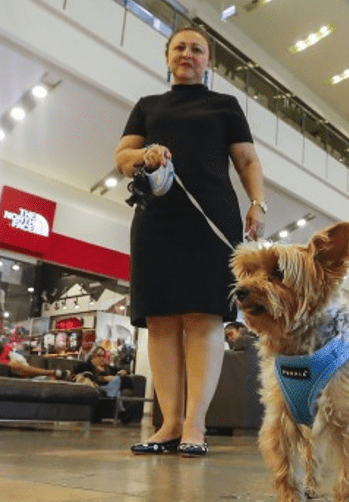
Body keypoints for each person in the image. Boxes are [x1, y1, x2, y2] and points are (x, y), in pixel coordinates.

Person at [115, 26, 267, 457]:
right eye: (179, 47)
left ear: (208, 62)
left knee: (203, 318)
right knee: (160, 320)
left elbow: (248, 160)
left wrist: (259, 203)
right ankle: (169, 424)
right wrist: (143, 156)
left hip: (212, 217)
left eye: (196, 49)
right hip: (157, 219)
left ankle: (195, 425)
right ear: (167, 56)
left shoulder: (225, 105)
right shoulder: (147, 107)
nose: (187, 54)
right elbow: (122, 156)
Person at [0, 340, 71, 380]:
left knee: (50, 378)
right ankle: (53, 373)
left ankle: (53, 373)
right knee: (50, 378)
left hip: (22, 370)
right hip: (21, 374)